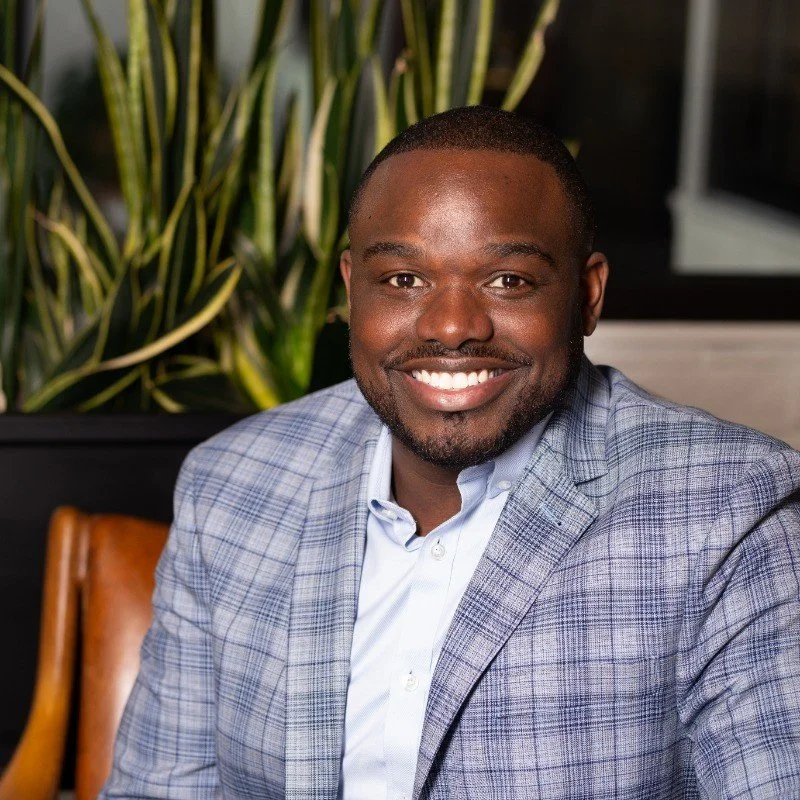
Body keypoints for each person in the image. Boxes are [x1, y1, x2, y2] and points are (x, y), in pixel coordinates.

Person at [101, 107, 800, 800]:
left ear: (587, 296)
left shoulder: (730, 514)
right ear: (351, 287)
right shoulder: (230, 484)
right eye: (404, 280)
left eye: (508, 280)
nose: (452, 326)